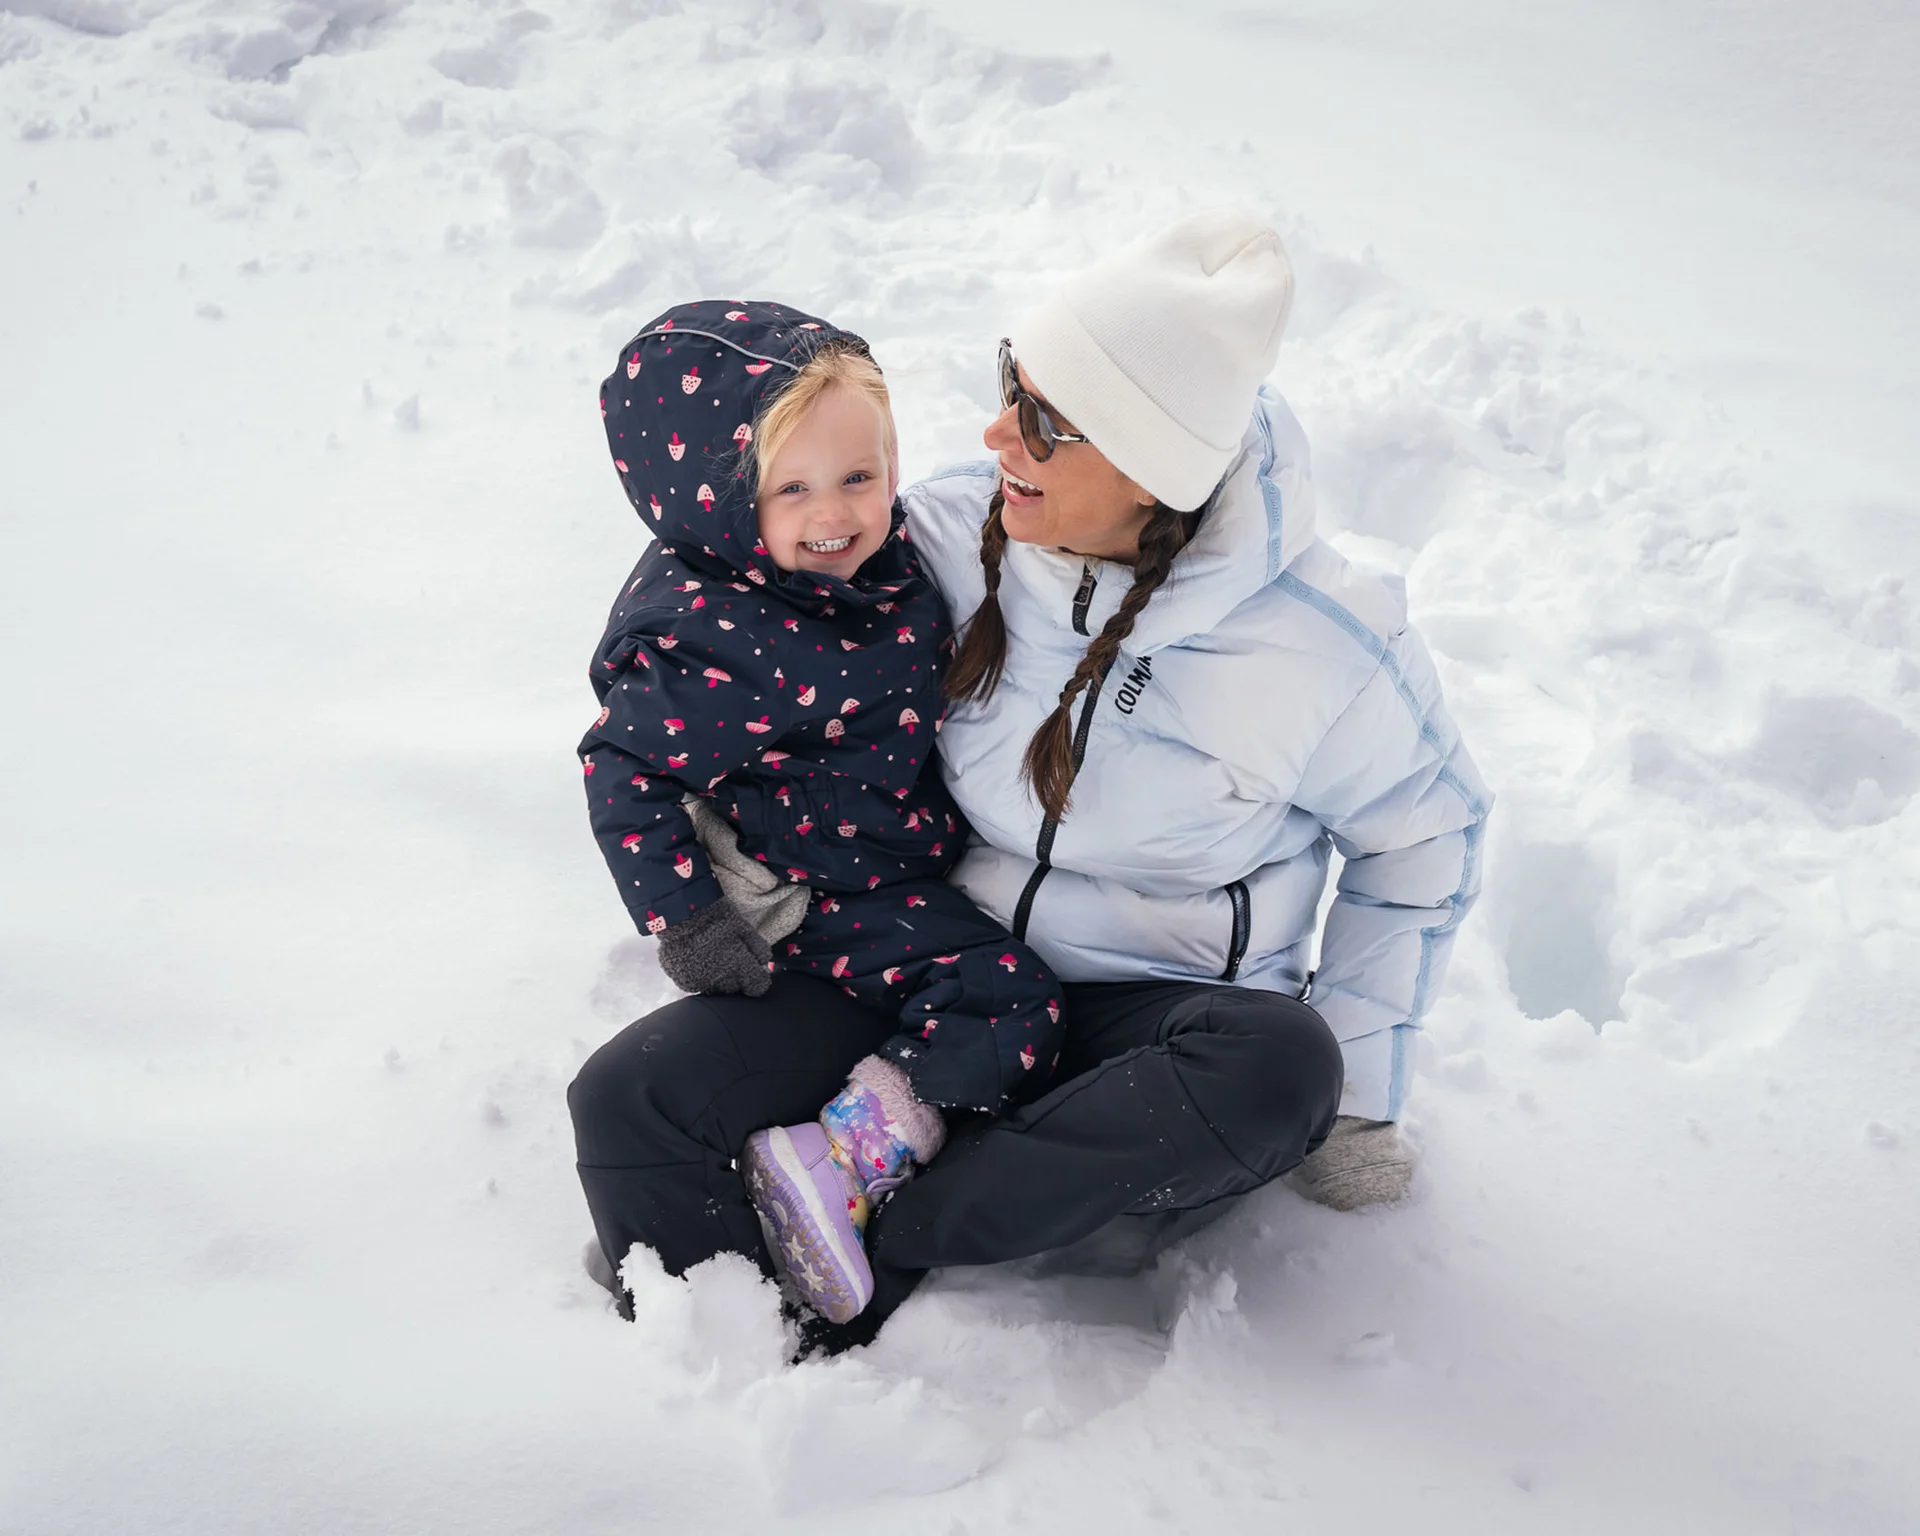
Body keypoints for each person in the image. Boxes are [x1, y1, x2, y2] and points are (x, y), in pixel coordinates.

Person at [569, 211, 1490, 1353]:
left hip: (1142, 1037)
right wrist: (712, 837)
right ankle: (733, 1341)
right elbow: (734, 571)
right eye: (1013, 381)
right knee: (627, 1100)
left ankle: (886, 1236)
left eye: (1048, 421)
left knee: (1284, 1068)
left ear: (1152, 466)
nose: (998, 432)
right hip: (928, 960)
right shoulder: (946, 530)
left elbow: (1427, 841)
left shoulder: (1324, 644)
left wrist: (1356, 1095)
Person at [577, 300, 1062, 1325]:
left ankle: (776, 1172)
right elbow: (622, 769)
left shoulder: (867, 569)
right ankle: (840, 1161)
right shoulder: (719, 642)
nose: (834, 514)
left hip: (883, 857)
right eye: (791, 489)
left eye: (859, 476)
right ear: (718, 505)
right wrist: (689, 920)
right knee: (1006, 998)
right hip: (824, 891)